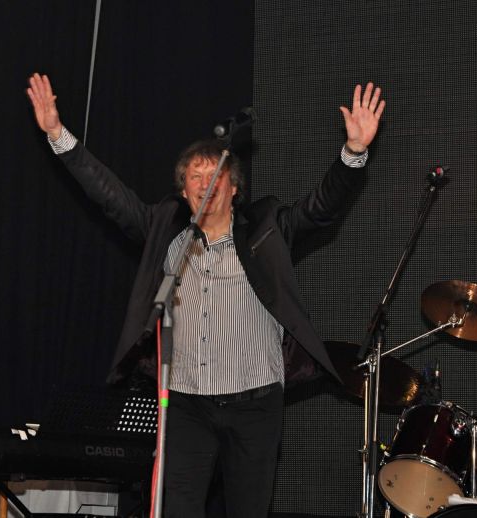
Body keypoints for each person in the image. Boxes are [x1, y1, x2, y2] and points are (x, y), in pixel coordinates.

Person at [26, 72, 386, 518]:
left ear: (234, 189)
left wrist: (354, 152)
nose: (204, 182)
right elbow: (109, 195)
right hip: (186, 405)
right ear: (183, 192)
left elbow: (321, 209)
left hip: (255, 403)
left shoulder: (267, 228)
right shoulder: (165, 233)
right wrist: (58, 135)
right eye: (194, 176)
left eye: (213, 174)